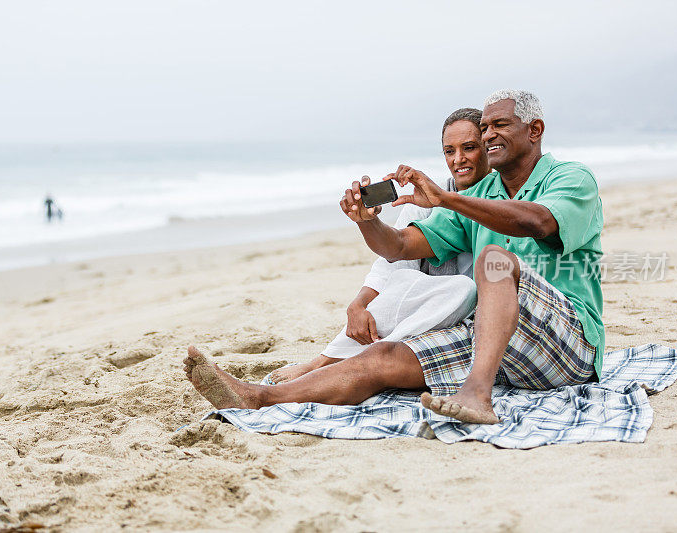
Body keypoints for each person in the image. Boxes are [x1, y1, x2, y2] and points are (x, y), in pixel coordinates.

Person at [184, 90, 604, 425]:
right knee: (382, 358)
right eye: (487, 126)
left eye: (500, 125)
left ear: (535, 130)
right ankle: (257, 398)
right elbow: (400, 247)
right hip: (500, 350)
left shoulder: (570, 178)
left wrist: (448, 198)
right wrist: (367, 221)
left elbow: (539, 222)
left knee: (495, 261)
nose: (490, 133)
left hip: (568, 345)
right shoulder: (475, 196)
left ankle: (477, 394)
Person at [268, 108, 492, 384]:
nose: (458, 159)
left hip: (470, 314)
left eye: (469, 148)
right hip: (421, 313)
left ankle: (339, 362)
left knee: (463, 288)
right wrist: (358, 305)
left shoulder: (503, 197)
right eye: (449, 151)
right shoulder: (428, 199)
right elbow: (393, 258)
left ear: (488, 147)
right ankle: (324, 362)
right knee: (408, 252)